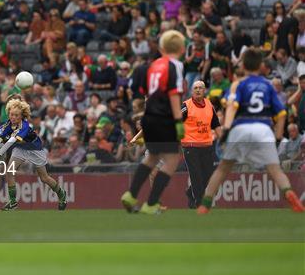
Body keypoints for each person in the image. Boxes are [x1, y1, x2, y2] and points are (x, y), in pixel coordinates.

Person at [198, 48, 304, 214]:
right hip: (263, 129)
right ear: (260, 65)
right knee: (275, 169)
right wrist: (277, 138)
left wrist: (225, 130)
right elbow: (282, 113)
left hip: (241, 127)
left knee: (223, 168)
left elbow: (232, 106)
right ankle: (290, 195)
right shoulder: (268, 86)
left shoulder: (238, 84)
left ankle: (205, 205)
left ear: (243, 65)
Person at [121, 30, 186, 215]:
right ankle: (151, 203)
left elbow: (143, 91)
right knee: (172, 160)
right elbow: (174, 93)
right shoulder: (176, 66)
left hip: (149, 117)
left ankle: (131, 194)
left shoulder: (152, 66)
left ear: (161, 48)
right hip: (165, 117)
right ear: (182, 49)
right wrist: (178, 122)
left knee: (152, 157)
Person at [0, 98, 67, 211]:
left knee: (44, 178)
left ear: (21, 116)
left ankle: (61, 193)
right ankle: (13, 202)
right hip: (21, 149)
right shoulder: (8, 124)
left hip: (35, 150)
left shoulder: (24, 126)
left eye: (16, 115)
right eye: (11, 114)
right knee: (9, 171)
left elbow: (12, 141)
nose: (13, 117)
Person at [181, 80, 222, 208]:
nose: (198, 90)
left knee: (207, 175)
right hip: (190, 146)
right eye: (195, 88)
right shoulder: (186, 106)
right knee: (196, 175)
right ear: (192, 91)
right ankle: (199, 202)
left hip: (207, 145)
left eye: (200, 88)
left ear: (205, 91)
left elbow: (216, 124)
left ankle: (190, 192)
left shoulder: (209, 105)